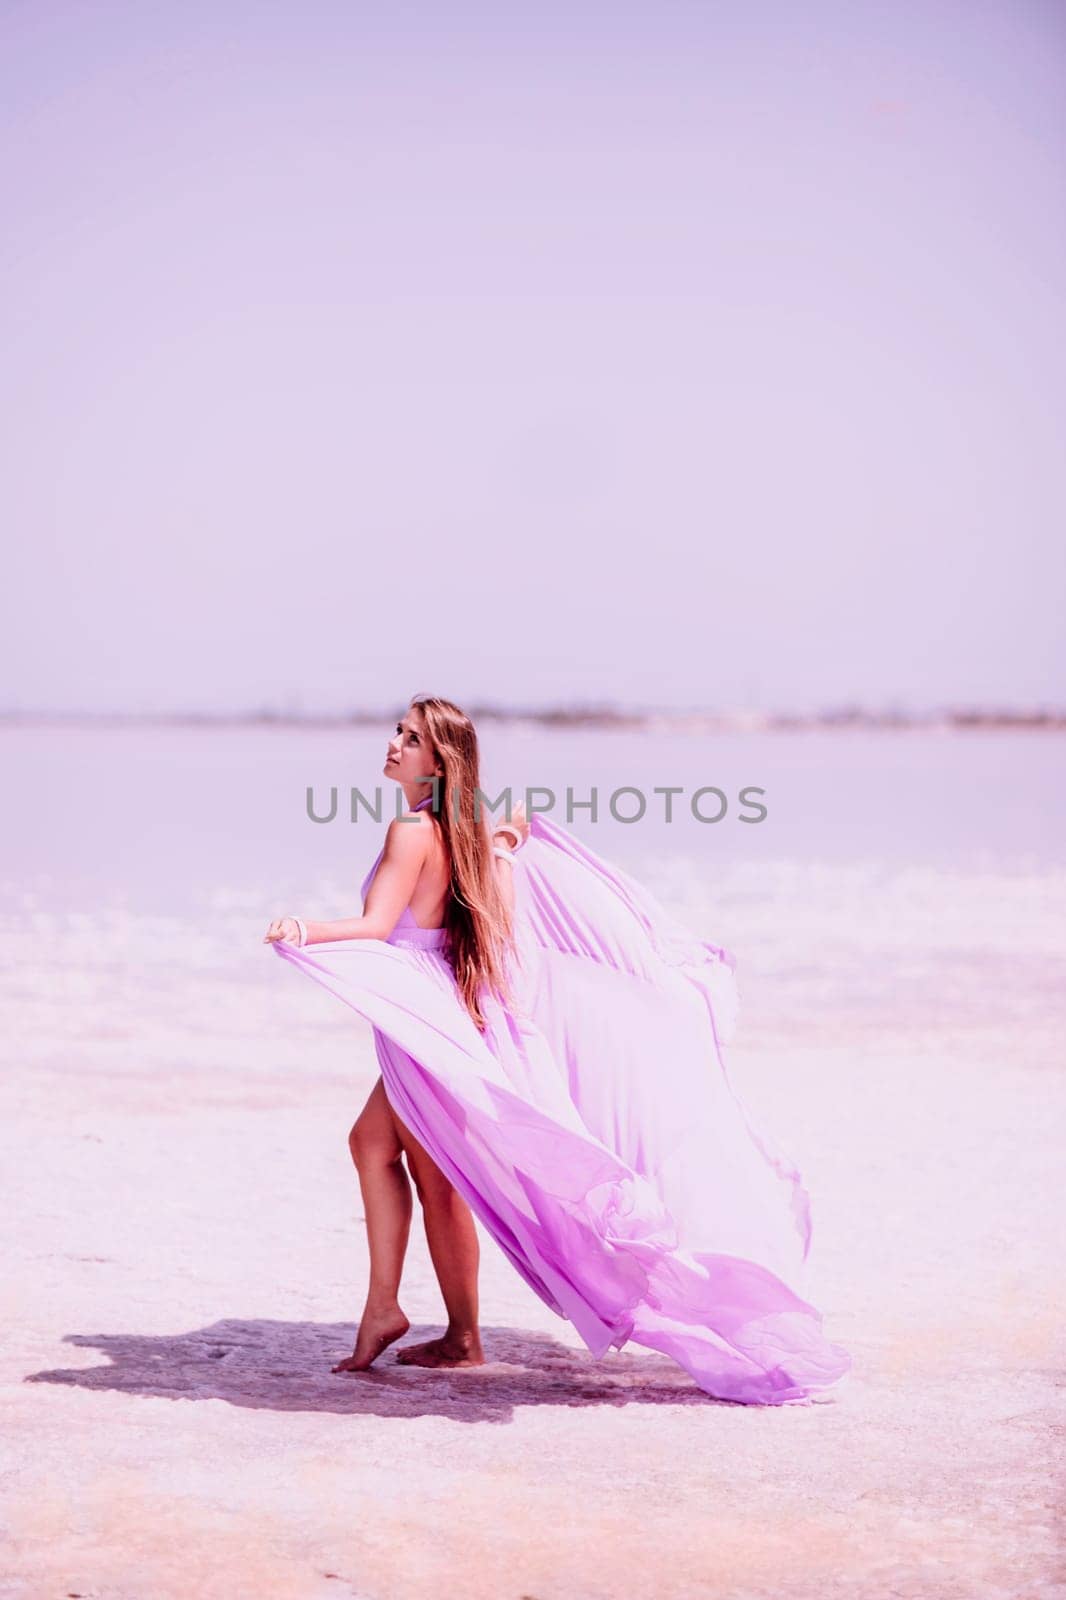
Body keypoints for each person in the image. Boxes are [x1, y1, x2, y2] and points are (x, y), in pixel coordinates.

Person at [265, 695, 852, 1406]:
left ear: (440, 760)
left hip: (430, 1019)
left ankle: (410, 1318)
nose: (393, 744)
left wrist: (301, 928)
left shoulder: (409, 831)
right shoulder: (472, 834)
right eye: (397, 731)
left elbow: (375, 923)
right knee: (417, 1163)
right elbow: (495, 928)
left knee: (397, 1154)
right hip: (454, 1015)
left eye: (411, 738)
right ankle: (447, 1330)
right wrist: (508, 846)